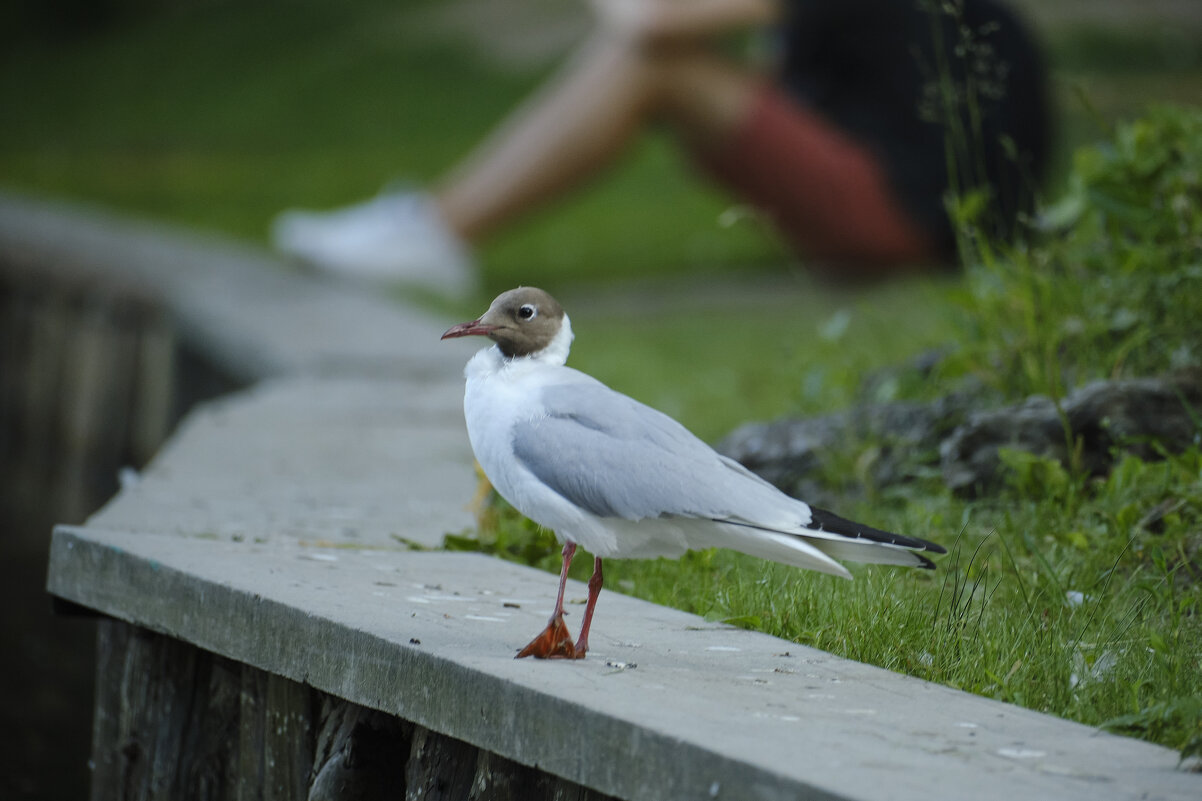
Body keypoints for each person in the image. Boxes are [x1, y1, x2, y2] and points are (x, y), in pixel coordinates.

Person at [271, 0, 1050, 297]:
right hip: (928, 207)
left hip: (920, 219)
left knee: (654, 67)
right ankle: (429, 225)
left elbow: (651, 25)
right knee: (681, 76)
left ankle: (436, 232)